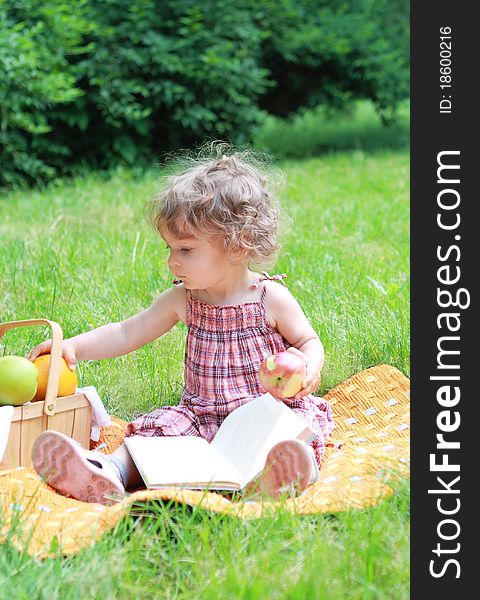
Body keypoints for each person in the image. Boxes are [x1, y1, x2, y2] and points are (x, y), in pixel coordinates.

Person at [27, 148, 334, 505]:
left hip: (264, 410)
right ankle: (108, 471)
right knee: (154, 440)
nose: (173, 261)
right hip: (200, 416)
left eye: (186, 250)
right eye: (170, 248)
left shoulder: (270, 298)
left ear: (237, 246)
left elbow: (308, 341)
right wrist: (74, 347)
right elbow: (127, 331)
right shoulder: (183, 300)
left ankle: (277, 476)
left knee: (284, 437)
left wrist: (308, 368)